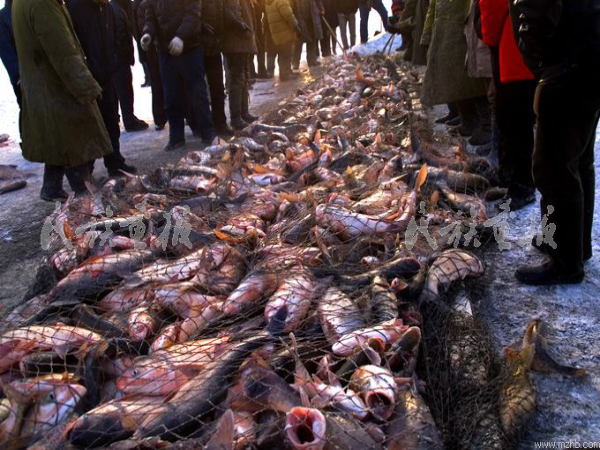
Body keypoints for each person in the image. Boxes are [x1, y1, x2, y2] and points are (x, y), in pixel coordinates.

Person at [511, 0, 600, 285]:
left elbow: (533, 14)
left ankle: (564, 261)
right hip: (586, 59)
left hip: (566, 66)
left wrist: (543, 63)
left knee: (554, 169)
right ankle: (574, 247)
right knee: (577, 161)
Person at [12, 0, 112, 201]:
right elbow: (62, 50)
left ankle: (52, 187)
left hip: (42, 84)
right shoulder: (42, 3)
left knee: (56, 138)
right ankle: (83, 190)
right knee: (73, 136)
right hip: (55, 85)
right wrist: (85, 85)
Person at [67, 0, 137, 177]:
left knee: (111, 121)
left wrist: (114, 62)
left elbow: (114, 40)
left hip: (107, 76)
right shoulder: (74, 9)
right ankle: (86, 172)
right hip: (87, 80)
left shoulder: (107, 8)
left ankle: (115, 162)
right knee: (90, 126)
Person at [480, 0, 536, 210]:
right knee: (512, 119)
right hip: (519, 44)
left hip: (513, 47)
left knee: (515, 122)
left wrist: (490, 37)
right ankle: (510, 176)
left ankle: (521, 184)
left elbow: (492, 8)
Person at [142, 0, 216, 150]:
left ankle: (207, 132)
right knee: (171, 96)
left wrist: (181, 36)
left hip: (190, 49)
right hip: (166, 51)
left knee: (198, 93)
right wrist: (147, 33)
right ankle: (176, 137)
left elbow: (193, 14)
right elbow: (150, 18)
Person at [420, 0, 489, 140]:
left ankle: (485, 124)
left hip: (462, 32)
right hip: (444, 33)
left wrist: (468, 26)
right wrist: (427, 35)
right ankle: (467, 119)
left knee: (471, 82)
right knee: (453, 80)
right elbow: (433, 7)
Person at [111, 0, 148, 132]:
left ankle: (124, 118)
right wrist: (127, 55)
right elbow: (121, 37)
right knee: (125, 91)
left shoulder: (115, 8)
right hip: (119, 60)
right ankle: (129, 120)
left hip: (117, 59)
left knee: (121, 91)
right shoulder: (117, 10)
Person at [222, 0, 259, 130]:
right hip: (236, 43)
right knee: (237, 79)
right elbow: (230, 15)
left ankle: (244, 113)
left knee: (243, 77)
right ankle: (236, 117)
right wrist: (243, 28)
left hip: (242, 42)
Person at [133, 0, 167, 130]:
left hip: (155, 52)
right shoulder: (143, 5)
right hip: (153, 53)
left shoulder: (142, 4)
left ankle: (161, 118)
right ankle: (160, 118)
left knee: (161, 85)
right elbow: (141, 29)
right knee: (158, 85)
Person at [202, 0, 233, 135]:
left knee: (218, 89)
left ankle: (220, 124)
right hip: (198, 48)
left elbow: (221, 16)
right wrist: (201, 26)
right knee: (200, 91)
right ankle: (204, 127)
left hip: (214, 47)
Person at [265, 0, 300, 81]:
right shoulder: (281, 1)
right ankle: (285, 75)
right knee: (286, 54)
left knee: (282, 54)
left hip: (276, 33)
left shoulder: (268, 2)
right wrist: (296, 27)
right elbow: (288, 16)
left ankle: (286, 71)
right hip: (284, 31)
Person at [293, 0, 324, 69]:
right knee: (299, 41)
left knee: (312, 39)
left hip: (311, 16)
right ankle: (295, 62)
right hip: (299, 17)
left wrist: (321, 8)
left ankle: (311, 60)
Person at [0, 0, 20, 106]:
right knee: (26, 109)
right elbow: (6, 52)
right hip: (21, 79)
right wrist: (18, 77)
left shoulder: (25, 10)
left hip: (37, 73)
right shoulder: (2, 17)